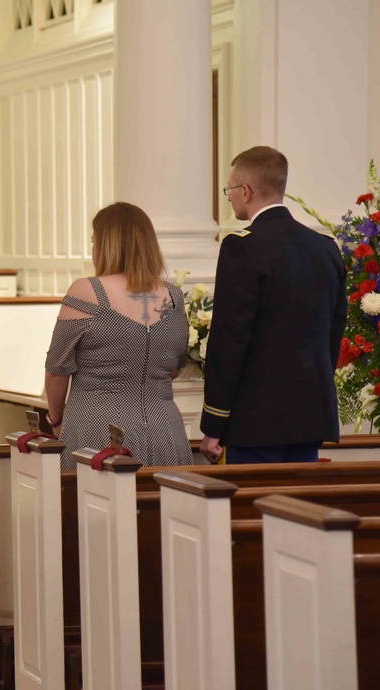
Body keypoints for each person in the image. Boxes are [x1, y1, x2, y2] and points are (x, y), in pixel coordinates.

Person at [200, 146, 346, 465]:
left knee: (254, 512)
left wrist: (213, 423)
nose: (229, 197)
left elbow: (230, 340)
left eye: (230, 189)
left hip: (255, 421)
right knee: (299, 512)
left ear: (246, 191)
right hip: (310, 416)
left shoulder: (242, 247)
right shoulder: (326, 248)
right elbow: (334, 334)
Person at [44, 201, 193, 469]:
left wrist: (55, 421)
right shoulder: (174, 296)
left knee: (96, 508)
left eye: (94, 240)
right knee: (163, 507)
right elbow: (174, 367)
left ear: (105, 245)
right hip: (165, 430)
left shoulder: (85, 291)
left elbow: (56, 371)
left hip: (97, 429)